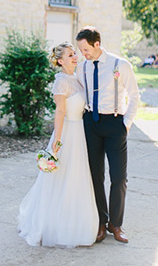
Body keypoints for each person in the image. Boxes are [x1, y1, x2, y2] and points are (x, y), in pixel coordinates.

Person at [18, 42, 98, 247]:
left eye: (74, 54)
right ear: (60, 61)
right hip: (67, 133)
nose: (74, 57)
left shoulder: (78, 78)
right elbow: (60, 112)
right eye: (70, 55)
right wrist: (58, 140)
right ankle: (52, 225)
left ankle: (76, 221)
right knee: (62, 177)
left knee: (76, 175)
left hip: (80, 132)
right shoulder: (61, 82)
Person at [76, 27, 140, 244]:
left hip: (114, 124)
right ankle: (100, 223)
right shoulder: (82, 67)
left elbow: (134, 96)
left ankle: (116, 224)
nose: (82, 54)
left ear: (97, 44)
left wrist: (126, 125)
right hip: (90, 124)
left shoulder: (119, 65)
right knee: (95, 175)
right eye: (80, 50)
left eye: (85, 49)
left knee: (119, 178)